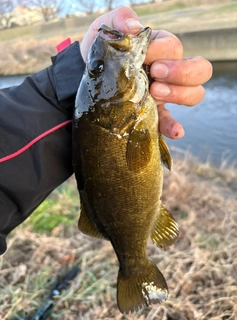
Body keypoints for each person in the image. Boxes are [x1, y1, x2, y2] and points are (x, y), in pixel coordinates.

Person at [0, 6, 212, 255]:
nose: (97, 61)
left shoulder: (110, 110)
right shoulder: (115, 113)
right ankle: (133, 261)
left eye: (95, 67)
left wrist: (70, 82)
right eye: (97, 68)